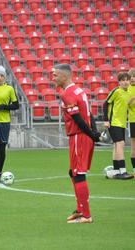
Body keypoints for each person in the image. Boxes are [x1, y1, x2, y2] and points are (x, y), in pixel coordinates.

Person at [52, 64, 101, 224]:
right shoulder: (79, 90)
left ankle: (86, 215)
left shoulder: (67, 94)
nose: (53, 78)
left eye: (55, 75)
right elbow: (89, 114)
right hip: (81, 135)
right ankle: (80, 209)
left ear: (64, 77)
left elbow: (78, 119)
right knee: (72, 172)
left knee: (79, 174)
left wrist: (91, 135)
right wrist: (94, 132)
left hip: (79, 136)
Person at [103, 72, 134, 180]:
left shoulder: (128, 93)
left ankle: (116, 171)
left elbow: (128, 104)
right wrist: (106, 120)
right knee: (120, 144)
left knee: (117, 146)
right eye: (123, 80)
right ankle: (123, 171)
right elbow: (105, 103)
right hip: (114, 122)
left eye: (127, 80)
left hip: (121, 123)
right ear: (119, 82)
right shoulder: (116, 91)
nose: (125, 82)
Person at [128, 68, 135, 176]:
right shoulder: (127, 89)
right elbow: (127, 103)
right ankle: (134, 170)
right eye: (131, 77)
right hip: (133, 120)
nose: (133, 78)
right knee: (133, 146)